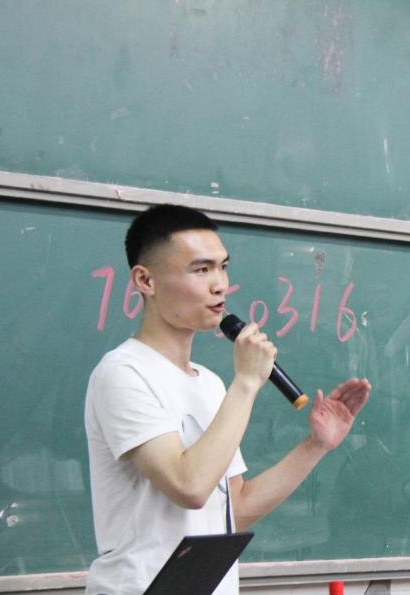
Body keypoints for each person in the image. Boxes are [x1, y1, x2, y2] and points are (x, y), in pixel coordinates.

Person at [84, 204, 371, 594]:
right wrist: (247, 383)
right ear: (145, 280)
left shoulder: (210, 384)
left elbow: (234, 507)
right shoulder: (123, 373)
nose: (219, 284)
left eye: (223, 267)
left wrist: (316, 446)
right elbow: (189, 486)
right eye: (201, 270)